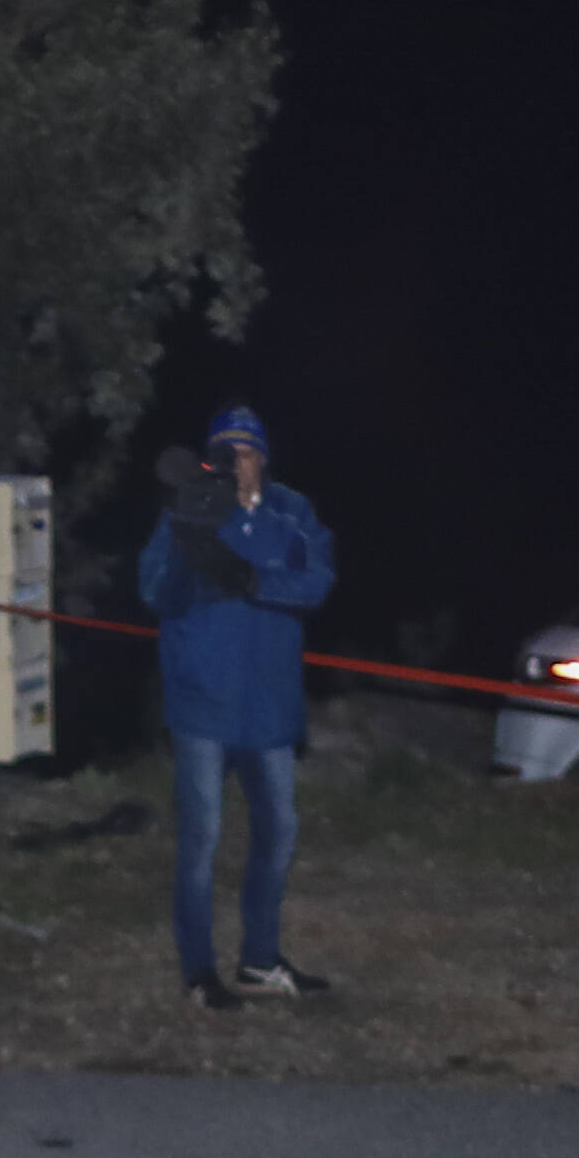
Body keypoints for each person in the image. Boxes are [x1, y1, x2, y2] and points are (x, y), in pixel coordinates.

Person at [136, 402, 339, 1006]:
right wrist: (190, 543)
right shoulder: (191, 507)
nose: (237, 461)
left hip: (271, 710)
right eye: (225, 450)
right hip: (203, 705)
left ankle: (259, 960)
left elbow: (318, 581)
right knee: (202, 841)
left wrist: (253, 579)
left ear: (265, 457)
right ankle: (200, 972)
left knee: (278, 835)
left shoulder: (292, 511)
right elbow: (156, 593)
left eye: (247, 450)